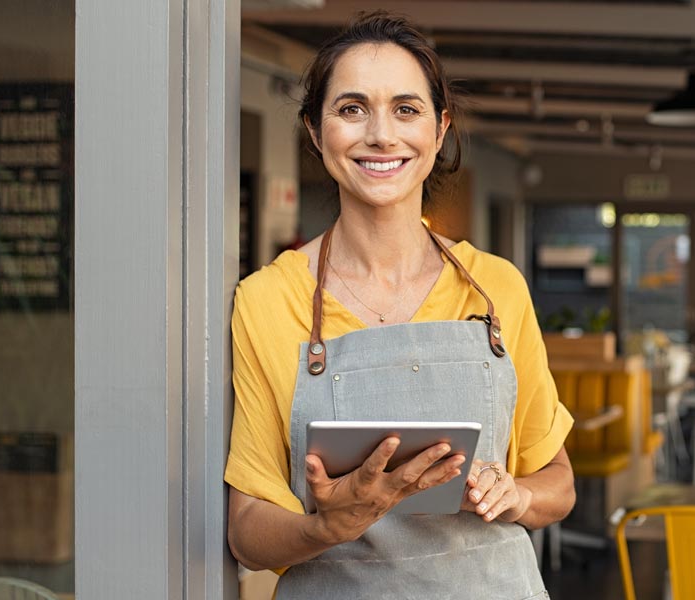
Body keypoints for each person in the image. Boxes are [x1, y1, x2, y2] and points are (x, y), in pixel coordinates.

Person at [224, 12, 574, 598]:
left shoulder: (495, 289)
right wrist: (326, 526)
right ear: (315, 131)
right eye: (351, 108)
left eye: (406, 110)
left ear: (439, 132)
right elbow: (246, 531)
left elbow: (557, 482)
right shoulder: (268, 299)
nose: (381, 135)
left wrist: (517, 495)